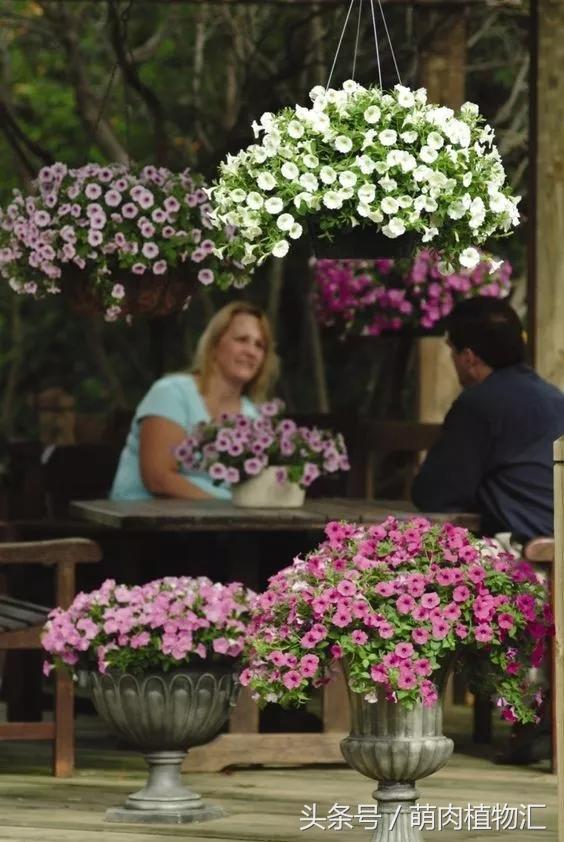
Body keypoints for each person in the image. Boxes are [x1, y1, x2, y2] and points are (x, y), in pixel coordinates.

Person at [412, 297, 564, 544]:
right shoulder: (554, 398)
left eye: (452, 350)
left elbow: (435, 495)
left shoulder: (479, 404)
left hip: (534, 558)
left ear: (469, 358)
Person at [110, 301, 278, 501]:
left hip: (216, 528)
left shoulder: (254, 417)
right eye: (242, 340)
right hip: (142, 523)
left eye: (260, 345)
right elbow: (158, 479)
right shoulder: (172, 393)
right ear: (215, 345)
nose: (251, 352)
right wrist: (231, 511)